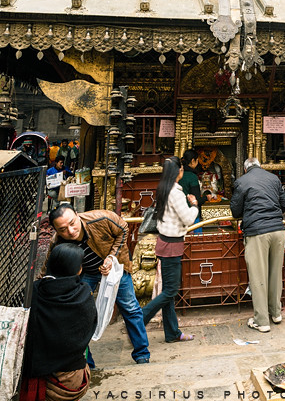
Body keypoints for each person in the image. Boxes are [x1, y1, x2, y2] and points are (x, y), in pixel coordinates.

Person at [47, 203, 150, 365]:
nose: (70, 231)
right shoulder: (57, 242)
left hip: (116, 268)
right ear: (56, 230)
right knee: (80, 314)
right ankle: (86, 362)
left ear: (77, 214)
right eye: (62, 229)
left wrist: (111, 257)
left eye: (72, 223)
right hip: (87, 273)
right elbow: (49, 266)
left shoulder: (101, 218)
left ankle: (142, 353)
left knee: (130, 308)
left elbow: (123, 228)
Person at [20, 243, 97, 401]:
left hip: (33, 373)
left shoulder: (32, 291)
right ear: (77, 268)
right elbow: (90, 328)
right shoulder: (83, 294)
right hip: (69, 377)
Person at [142, 156, 198, 342]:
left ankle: (172, 333)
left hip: (165, 243)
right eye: (181, 169)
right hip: (172, 245)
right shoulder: (176, 193)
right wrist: (195, 205)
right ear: (177, 172)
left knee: (168, 291)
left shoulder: (163, 189)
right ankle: (139, 319)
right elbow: (188, 219)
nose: (183, 172)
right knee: (170, 291)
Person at [230, 157, 285, 333]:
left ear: (245, 168)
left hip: (257, 232)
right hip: (278, 230)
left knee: (258, 277)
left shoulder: (241, 182)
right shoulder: (273, 178)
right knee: (275, 273)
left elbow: (235, 211)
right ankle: (276, 313)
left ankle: (262, 320)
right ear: (260, 166)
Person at [179, 148, 214, 232]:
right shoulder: (192, 177)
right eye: (197, 160)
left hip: (179, 214)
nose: (198, 163)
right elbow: (197, 200)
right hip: (191, 215)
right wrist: (207, 197)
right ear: (192, 161)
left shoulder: (178, 175)